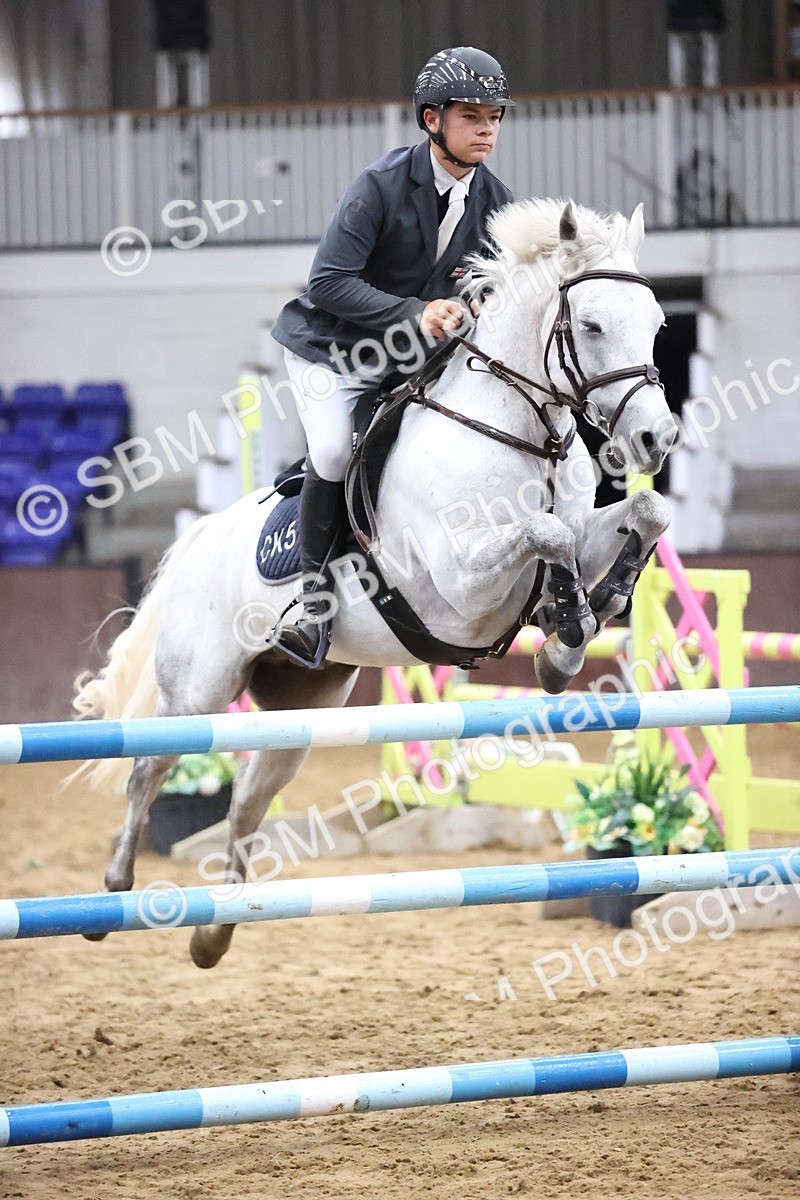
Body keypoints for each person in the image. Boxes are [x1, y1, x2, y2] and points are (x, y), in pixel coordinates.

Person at [271, 47, 515, 668]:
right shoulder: (378, 186)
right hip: (333, 349)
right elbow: (328, 282)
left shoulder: (498, 202)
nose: (487, 129)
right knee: (333, 450)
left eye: (494, 117)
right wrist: (416, 314)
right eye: (471, 116)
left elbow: (492, 292)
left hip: (410, 357)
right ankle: (311, 604)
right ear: (432, 119)